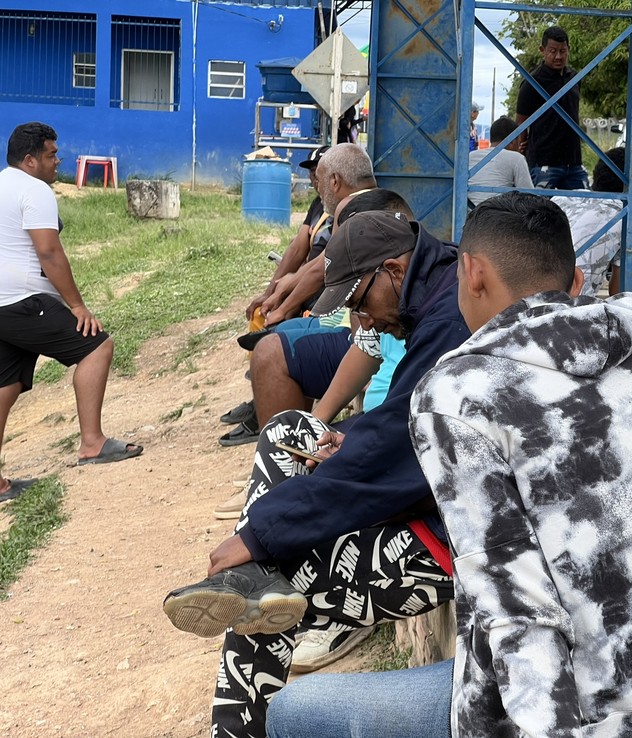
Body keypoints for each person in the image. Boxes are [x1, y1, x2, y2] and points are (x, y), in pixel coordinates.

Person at [265, 192, 632, 738]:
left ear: (473, 273)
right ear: (576, 281)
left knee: (292, 712)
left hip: (599, 708)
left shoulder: (456, 393)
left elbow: (513, 601)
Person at [162, 210, 470, 738]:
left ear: (394, 270)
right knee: (290, 430)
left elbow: (398, 452)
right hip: (433, 494)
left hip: (452, 539)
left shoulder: (448, 319)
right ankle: (260, 567)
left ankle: (237, 724)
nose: (363, 321)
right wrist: (353, 440)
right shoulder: (438, 296)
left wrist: (261, 535)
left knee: (269, 593)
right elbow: (405, 423)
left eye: (359, 302)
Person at [0, 122, 142, 500]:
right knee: (97, 346)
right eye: (51, 154)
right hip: (26, 300)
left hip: (2, 305)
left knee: (5, 385)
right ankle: (92, 443)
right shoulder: (35, 190)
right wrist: (77, 305)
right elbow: (48, 252)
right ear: (30, 160)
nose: (57, 161)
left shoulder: (1, 184)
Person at [219, 144, 377, 446]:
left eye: (319, 178)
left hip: (358, 333)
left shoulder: (353, 211)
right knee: (279, 336)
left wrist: (283, 305)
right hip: (354, 328)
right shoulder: (375, 203)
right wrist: (278, 289)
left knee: (271, 349)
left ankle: (283, 448)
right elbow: (314, 259)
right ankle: (284, 426)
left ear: (335, 181)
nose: (315, 184)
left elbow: (322, 271)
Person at [550, 146, 632, 297]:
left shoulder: (563, 197)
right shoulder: (629, 219)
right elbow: (617, 292)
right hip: (574, 303)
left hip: (531, 295)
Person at [515, 25, 589, 190]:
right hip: (544, 161)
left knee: (583, 202)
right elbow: (521, 121)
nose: (558, 56)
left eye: (562, 51)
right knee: (539, 205)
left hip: (573, 162)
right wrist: (522, 145)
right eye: (552, 51)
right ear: (542, 50)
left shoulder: (574, 78)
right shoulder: (532, 82)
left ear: (568, 50)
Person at [467, 116, 534, 206]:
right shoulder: (516, 158)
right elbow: (529, 197)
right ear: (513, 142)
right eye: (519, 141)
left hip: (469, 212)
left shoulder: (470, 156)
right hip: (498, 212)